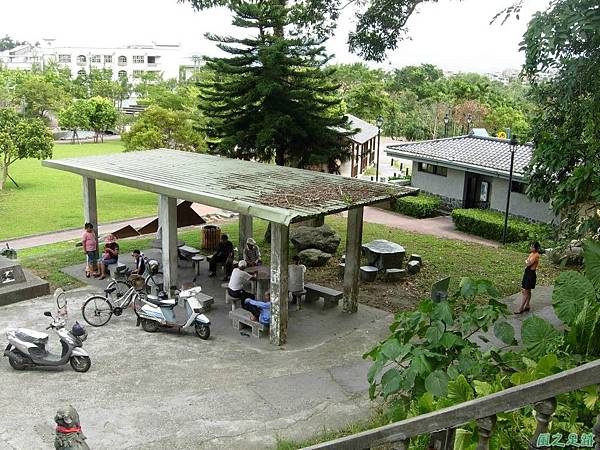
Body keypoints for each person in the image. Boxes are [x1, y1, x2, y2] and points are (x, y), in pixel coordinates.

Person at [516, 241, 541, 314]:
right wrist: (527, 261)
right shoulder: (532, 254)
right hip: (527, 272)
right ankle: (527, 305)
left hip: (531, 273)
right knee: (527, 290)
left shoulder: (536, 255)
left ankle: (521, 308)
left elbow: (528, 263)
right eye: (531, 246)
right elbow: (527, 262)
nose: (531, 248)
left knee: (525, 290)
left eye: (532, 247)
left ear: (536, 248)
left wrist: (527, 261)